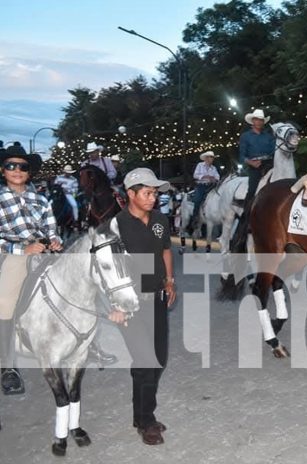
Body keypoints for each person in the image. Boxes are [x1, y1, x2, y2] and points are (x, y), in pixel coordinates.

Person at [110, 167, 176, 445]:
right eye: (147, 193)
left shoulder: (160, 219)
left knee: (158, 360)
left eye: (155, 193)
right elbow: (110, 269)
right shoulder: (116, 226)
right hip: (131, 303)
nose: (153, 198)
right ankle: (146, 422)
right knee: (146, 362)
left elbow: (165, 250)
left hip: (157, 299)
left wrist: (170, 281)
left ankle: (141, 414)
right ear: (130, 194)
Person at [0, 143, 62, 395]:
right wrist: (22, 250)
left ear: (29, 172)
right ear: (3, 170)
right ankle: (7, 367)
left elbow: (50, 229)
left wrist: (55, 241)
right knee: (5, 301)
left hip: (43, 251)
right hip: (13, 253)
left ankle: (84, 341)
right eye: (11, 166)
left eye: (22, 167)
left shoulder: (41, 199)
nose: (17, 170)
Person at [239, 108, 275, 205]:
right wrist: (251, 163)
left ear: (263, 122)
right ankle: (246, 214)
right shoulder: (245, 136)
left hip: (270, 163)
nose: (259, 122)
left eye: (261, 120)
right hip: (255, 166)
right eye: (257, 119)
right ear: (253, 121)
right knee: (252, 189)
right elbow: (242, 156)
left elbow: (274, 151)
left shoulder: (269, 136)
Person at [190, 151, 220, 229]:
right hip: (201, 185)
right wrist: (205, 176)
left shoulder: (214, 168)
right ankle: (195, 217)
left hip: (211, 186)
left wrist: (214, 178)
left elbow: (218, 177)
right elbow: (195, 175)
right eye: (210, 157)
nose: (212, 159)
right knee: (197, 199)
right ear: (206, 158)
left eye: (212, 157)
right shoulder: (200, 165)